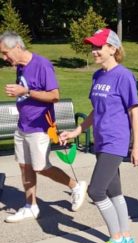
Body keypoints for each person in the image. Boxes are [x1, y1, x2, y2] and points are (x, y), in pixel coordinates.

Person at [59, 28, 138, 243]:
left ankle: (115, 240)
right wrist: (78, 130)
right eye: (92, 47)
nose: (94, 51)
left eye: (98, 47)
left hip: (116, 141)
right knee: (114, 191)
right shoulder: (98, 77)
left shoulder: (124, 76)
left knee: (96, 191)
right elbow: (97, 111)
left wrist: (136, 146)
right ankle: (126, 236)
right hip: (101, 140)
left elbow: (133, 113)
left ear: (112, 49)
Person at [0, 31, 87, 223]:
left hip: (40, 126)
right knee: (25, 167)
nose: (4, 57)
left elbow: (54, 95)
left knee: (41, 167)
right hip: (23, 125)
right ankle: (30, 206)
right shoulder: (20, 67)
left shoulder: (42, 64)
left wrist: (27, 92)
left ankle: (75, 185)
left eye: (5, 53)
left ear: (17, 47)